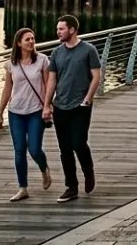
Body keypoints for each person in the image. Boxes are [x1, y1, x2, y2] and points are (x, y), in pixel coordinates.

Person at [43, 15, 101, 203]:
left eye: (61, 29)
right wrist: (47, 104)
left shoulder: (88, 50)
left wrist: (88, 99)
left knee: (78, 143)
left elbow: (96, 76)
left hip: (80, 105)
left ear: (72, 30)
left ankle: (88, 171)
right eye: (57, 29)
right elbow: (52, 79)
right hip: (61, 105)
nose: (58, 32)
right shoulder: (57, 53)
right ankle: (71, 187)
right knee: (64, 148)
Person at [0, 28, 53, 202]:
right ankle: (23, 188)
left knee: (34, 149)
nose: (31, 41)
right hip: (16, 112)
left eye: (32, 39)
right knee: (19, 150)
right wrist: (0, 113)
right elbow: (7, 89)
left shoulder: (42, 60)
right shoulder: (11, 63)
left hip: (36, 110)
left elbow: (47, 84)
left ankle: (44, 169)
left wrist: (47, 106)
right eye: (27, 39)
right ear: (19, 43)